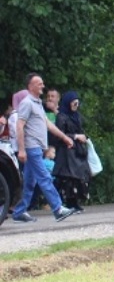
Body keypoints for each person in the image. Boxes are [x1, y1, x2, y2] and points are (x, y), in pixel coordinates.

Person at [9, 74, 78, 223]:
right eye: (39, 83)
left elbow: (48, 125)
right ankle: (58, 208)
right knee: (45, 177)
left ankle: (19, 212)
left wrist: (65, 138)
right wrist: (21, 150)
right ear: (31, 86)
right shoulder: (27, 103)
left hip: (37, 148)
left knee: (30, 182)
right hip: (31, 147)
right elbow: (19, 126)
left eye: (42, 83)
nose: (42, 86)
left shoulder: (38, 103)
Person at [53, 91, 92, 211]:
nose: (76, 106)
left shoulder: (76, 116)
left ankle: (75, 203)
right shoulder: (61, 116)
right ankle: (68, 203)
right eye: (74, 104)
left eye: (77, 104)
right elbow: (59, 134)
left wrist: (84, 137)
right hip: (66, 152)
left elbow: (80, 129)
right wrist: (75, 136)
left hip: (77, 151)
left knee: (79, 178)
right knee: (68, 179)